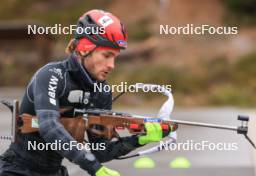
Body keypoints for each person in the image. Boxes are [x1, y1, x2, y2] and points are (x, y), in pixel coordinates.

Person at [0, 9, 165, 176]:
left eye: (115, 57)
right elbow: (49, 126)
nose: (112, 65)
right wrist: (94, 169)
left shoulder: (101, 91)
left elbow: (101, 151)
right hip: (17, 170)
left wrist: (140, 139)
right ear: (85, 49)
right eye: (107, 55)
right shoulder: (51, 75)